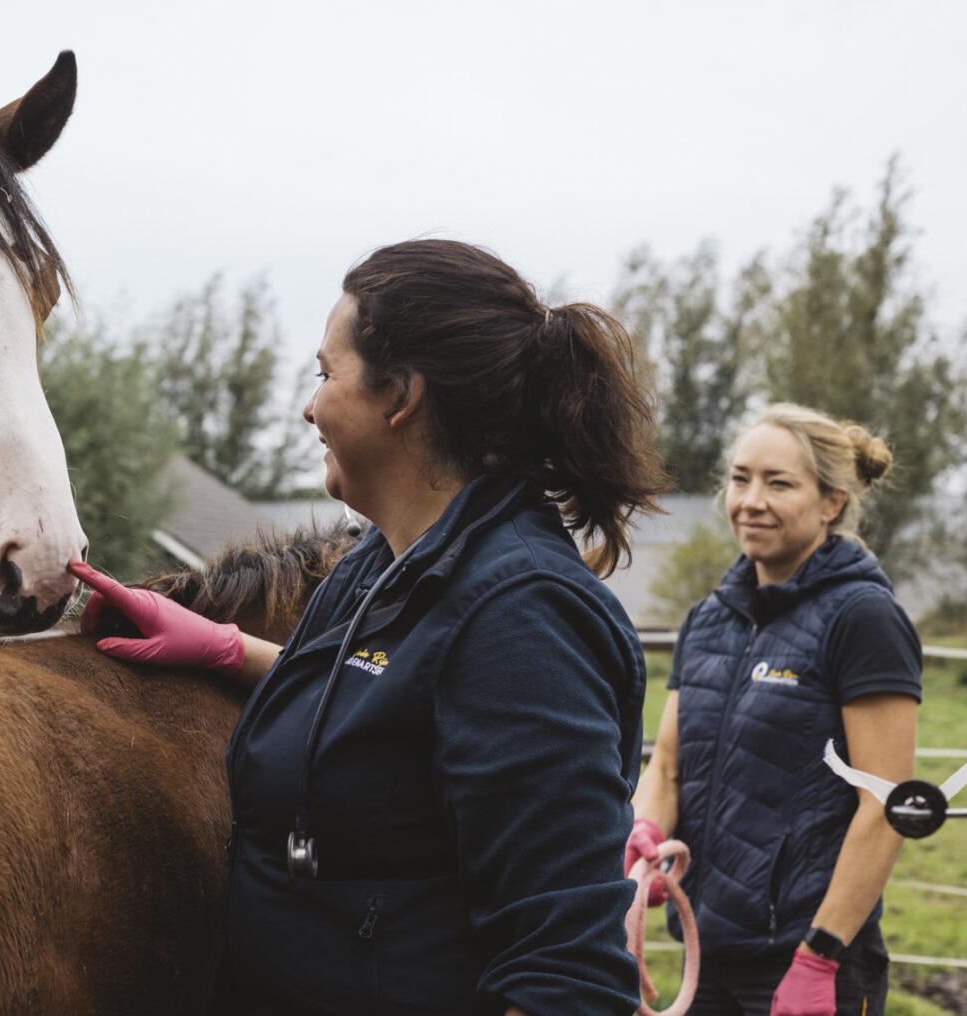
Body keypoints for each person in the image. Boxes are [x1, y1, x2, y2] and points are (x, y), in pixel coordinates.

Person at [68, 238, 668, 1014]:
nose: (310, 406)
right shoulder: (384, 563)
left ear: (402, 395)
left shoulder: (525, 617)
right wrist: (225, 647)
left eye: (325, 374)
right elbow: (392, 705)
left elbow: (565, 973)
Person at [628, 404, 921, 1016]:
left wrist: (820, 956)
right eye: (739, 478)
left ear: (831, 503)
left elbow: (885, 803)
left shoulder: (862, 618)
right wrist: (645, 832)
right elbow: (667, 767)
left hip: (811, 959)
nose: (750, 500)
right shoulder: (709, 620)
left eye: (778, 483)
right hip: (706, 952)